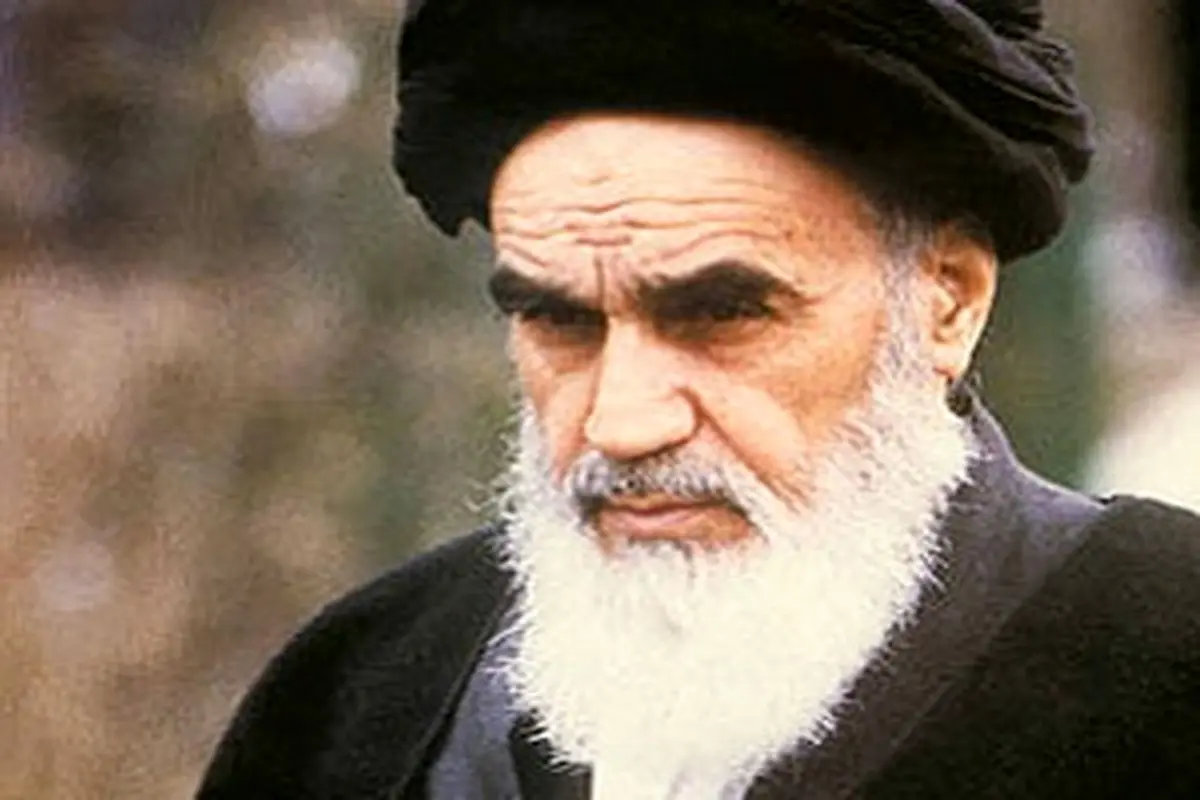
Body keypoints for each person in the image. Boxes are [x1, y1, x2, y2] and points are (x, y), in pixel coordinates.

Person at [197, 1, 1200, 798]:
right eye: (559, 321)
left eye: (721, 314)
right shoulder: (362, 697)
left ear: (947, 301)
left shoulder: (1166, 657)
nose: (622, 421)